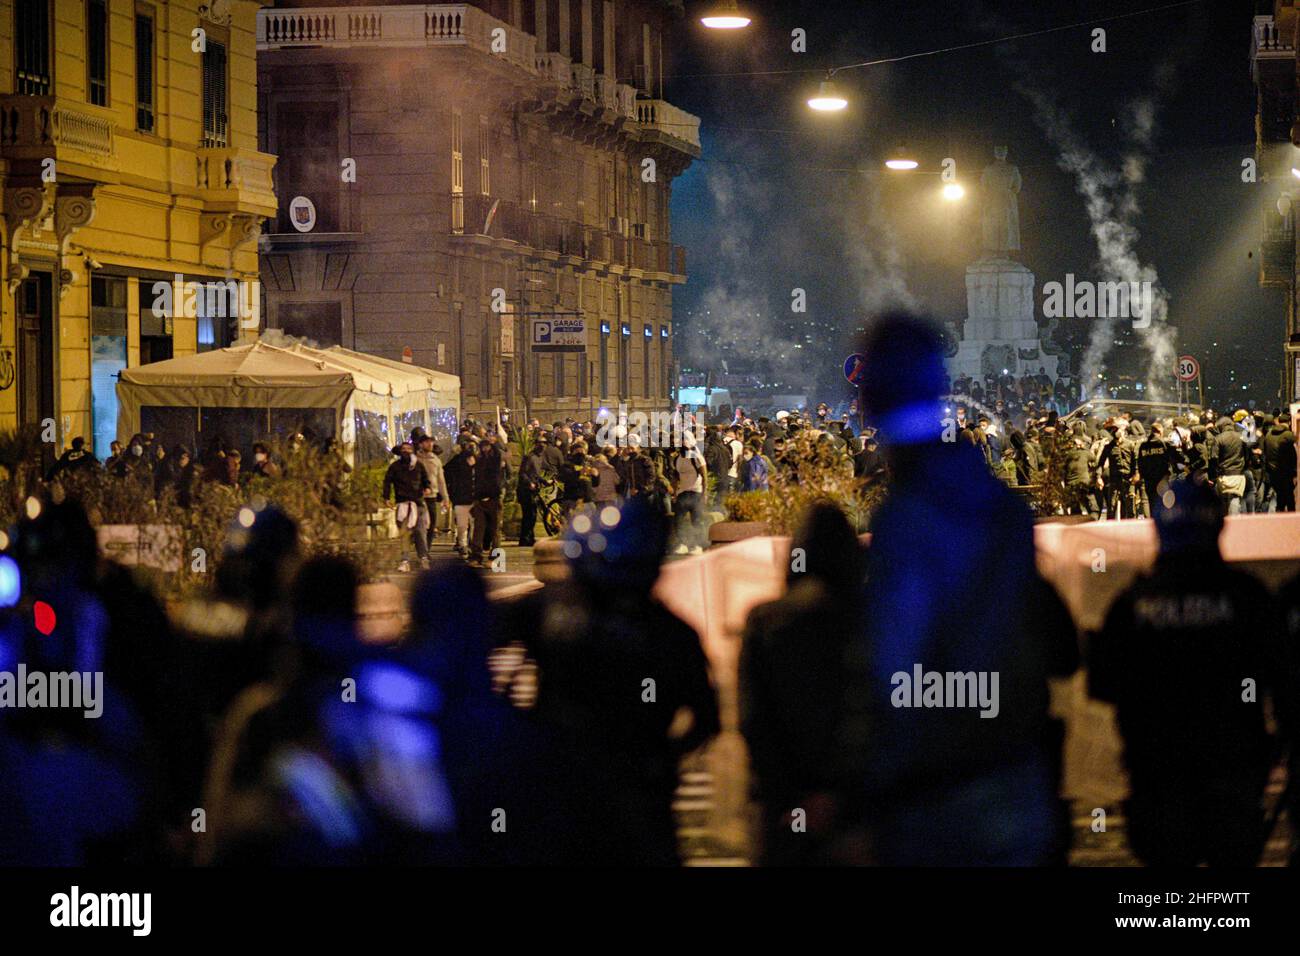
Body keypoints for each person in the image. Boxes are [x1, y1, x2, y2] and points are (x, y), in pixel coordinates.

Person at [849, 313, 1077, 865]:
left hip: (936, 796)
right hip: (1015, 777)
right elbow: (1061, 647)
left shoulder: (908, 520)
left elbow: (893, 667)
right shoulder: (998, 506)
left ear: (874, 400)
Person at [508, 497, 720, 864]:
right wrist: (664, 755)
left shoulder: (555, 617)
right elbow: (705, 717)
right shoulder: (671, 633)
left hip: (568, 791)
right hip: (638, 790)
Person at [1089, 477, 1286, 866]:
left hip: (1157, 772)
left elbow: (1104, 685)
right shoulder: (1247, 597)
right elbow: (1280, 675)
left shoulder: (1132, 605)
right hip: (1232, 768)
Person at [740, 503, 865, 865]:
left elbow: (754, 720)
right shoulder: (872, 619)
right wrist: (838, 793)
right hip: (856, 808)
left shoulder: (767, 622)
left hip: (786, 805)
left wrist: (790, 795)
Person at [382, 441, 432, 571]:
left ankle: (423, 558)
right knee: (404, 535)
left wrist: (427, 488)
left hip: (418, 504)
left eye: (409, 449)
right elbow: (387, 482)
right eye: (403, 449)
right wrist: (386, 497)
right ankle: (405, 560)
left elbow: (426, 480)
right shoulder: (395, 467)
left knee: (420, 533)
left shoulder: (418, 465)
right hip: (403, 505)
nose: (406, 451)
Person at [470, 432, 505, 568]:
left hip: (494, 498)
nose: (485, 449)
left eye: (487, 446)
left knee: (495, 530)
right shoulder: (479, 460)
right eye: (483, 446)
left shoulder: (495, 458)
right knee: (479, 529)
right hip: (480, 498)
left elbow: (498, 456)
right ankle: (476, 556)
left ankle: (496, 558)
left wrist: (494, 443)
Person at [672, 434, 708, 554]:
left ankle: (698, 545)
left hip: (696, 492)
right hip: (683, 492)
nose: (683, 443)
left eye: (686, 440)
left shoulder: (697, 457)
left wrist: (704, 493)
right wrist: (675, 492)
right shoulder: (678, 458)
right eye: (682, 440)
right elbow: (676, 476)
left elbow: (704, 475)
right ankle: (682, 544)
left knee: (696, 520)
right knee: (678, 520)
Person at [443, 440, 478, 558]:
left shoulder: (479, 461)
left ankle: (470, 545)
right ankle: (463, 545)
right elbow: (446, 473)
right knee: (463, 524)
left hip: (474, 497)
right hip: (461, 497)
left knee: (473, 523)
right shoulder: (457, 461)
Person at [414, 433, 449, 551]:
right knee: (420, 525)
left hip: (432, 496)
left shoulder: (436, 460)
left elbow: (441, 481)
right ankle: (422, 550)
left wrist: (445, 498)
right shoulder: (415, 459)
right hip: (418, 497)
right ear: (421, 444)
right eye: (427, 442)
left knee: (432, 524)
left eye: (431, 442)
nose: (430, 444)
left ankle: (426, 549)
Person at [515, 443, 544, 547]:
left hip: (531, 489)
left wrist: (543, 481)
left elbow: (535, 474)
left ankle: (529, 537)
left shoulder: (537, 458)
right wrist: (529, 483)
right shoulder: (530, 458)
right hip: (526, 491)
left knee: (531, 515)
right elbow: (523, 473)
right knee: (529, 514)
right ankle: (525, 538)